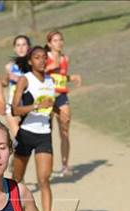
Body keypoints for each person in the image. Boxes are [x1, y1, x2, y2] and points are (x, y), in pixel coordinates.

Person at [12, 46, 56, 211]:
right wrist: (37, 106)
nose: (42, 60)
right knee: (16, 179)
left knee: (44, 179)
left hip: (44, 134)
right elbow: (15, 109)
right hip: (25, 133)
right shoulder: (25, 79)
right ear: (30, 61)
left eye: (44, 57)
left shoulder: (50, 81)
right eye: (37, 58)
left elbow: (51, 107)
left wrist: (60, 112)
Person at [45, 30, 82, 177]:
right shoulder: (44, 57)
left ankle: (65, 166)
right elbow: (40, 73)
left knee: (65, 132)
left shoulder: (65, 58)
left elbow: (60, 77)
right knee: (46, 134)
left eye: (60, 40)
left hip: (61, 97)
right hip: (46, 98)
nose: (58, 43)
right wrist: (49, 67)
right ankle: (46, 167)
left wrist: (71, 77)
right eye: (55, 40)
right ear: (49, 43)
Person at [2, 34, 31, 138]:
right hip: (12, 106)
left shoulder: (34, 66)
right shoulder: (10, 66)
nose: (21, 48)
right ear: (14, 48)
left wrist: (19, 80)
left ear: (29, 47)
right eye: (18, 45)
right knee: (19, 140)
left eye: (24, 44)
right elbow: (5, 83)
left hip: (30, 106)